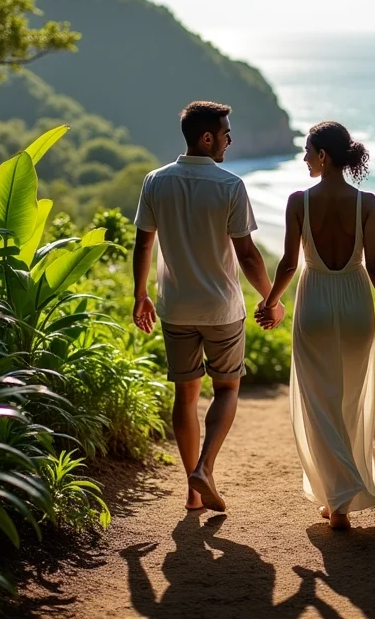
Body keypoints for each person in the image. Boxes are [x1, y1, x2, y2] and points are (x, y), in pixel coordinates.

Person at [132, 101, 284, 512]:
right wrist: (271, 299)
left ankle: (193, 491)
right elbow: (248, 255)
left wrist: (140, 294)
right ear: (206, 138)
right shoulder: (230, 185)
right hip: (221, 309)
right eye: (225, 133)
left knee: (185, 396)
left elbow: (144, 244)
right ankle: (205, 467)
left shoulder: (155, 181)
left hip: (175, 307)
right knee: (227, 388)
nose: (230, 140)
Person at [256, 121, 375, 530]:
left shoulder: (298, 202)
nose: (304, 159)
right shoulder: (367, 202)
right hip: (357, 303)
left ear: (323, 155)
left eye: (308, 152)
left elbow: (289, 264)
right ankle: (342, 495)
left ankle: (338, 500)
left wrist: (270, 302)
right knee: (351, 399)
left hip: (315, 303)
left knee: (318, 401)